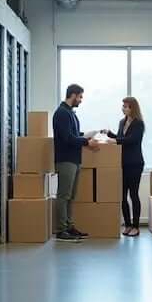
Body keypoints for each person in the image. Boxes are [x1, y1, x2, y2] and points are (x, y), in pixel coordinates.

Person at [53, 84, 100, 242]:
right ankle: (61, 229)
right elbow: (67, 138)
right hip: (66, 159)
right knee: (63, 195)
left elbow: (74, 134)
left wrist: (86, 136)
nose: (80, 100)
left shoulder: (70, 113)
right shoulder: (61, 113)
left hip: (74, 159)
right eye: (80, 97)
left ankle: (69, 226)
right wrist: (87, 143)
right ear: (73, 95)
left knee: (71, 196)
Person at [105, 97, 146, 237]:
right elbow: (121, 138)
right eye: (123, 106)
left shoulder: (139, 123)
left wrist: (114, 140)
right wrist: (110, 134)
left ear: (133, 108)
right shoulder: (122, 122)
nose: (124, 108)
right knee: (122, 195)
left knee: (133, 194)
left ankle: (136, 226)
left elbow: (132, 140)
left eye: (126, 106)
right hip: (122, 163)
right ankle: (127, 225)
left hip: (135, 163)